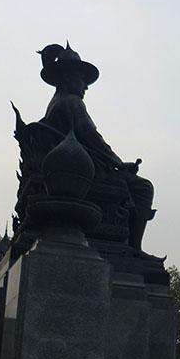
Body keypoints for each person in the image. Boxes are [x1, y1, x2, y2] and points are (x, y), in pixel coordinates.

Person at [36, 42, 154, 252]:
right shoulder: (72, 102)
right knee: (143, 187)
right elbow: (92, 139)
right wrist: (120, 164)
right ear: (68, 78)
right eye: (82, 80)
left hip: (69, 165)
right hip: (83, 169)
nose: (85, 87)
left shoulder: (56, 102)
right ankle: (135, 248)